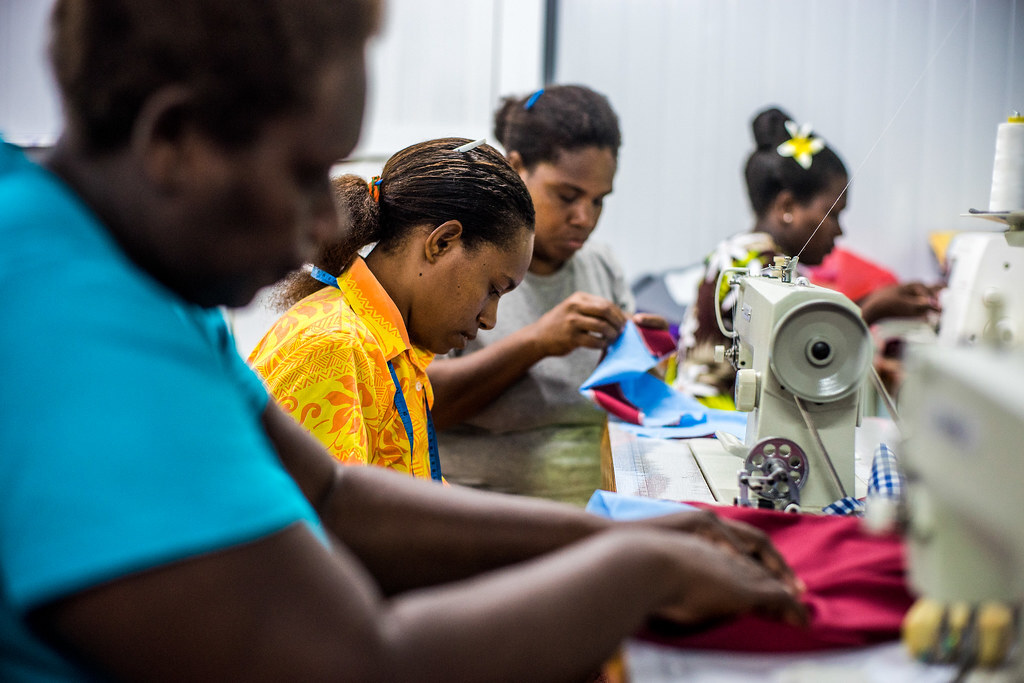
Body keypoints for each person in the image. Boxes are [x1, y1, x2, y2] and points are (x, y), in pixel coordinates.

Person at [1, 3, 806, 680]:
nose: (324, 224)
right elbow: (352, 658)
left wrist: (625, 531)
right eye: (304, 168)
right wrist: (640, 568)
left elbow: (334, 496)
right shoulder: (56, 311)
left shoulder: (144, 286)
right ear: (174, 140)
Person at [429, 85, 666, 506]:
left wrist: (641, 355)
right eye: (568, 196)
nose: (585, 219)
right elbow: (422, 403)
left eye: (599, 201)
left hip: (591, 506)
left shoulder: (601, 266)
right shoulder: (462, 263)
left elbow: (631, 406)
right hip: (480, 510)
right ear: (516, 167)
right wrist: (536, 342)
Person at [249, 139, 534, 479]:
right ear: (442, 243)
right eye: (493, 289)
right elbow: (325, 521)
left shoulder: (394, 352)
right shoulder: (337, 346)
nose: (490, 319)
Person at [676, 106, 939, 406]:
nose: (839, 231)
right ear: (787, 207)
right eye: (832, 214)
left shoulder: (739, 252)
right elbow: (797, 354)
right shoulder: (758, 268)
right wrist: (872, 309)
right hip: (716, 417)